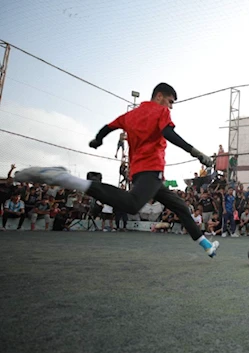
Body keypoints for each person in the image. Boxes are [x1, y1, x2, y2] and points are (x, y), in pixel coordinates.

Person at [14, 83, 219, 257]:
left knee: (180, 206)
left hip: (140, 173)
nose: (171, 106)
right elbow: (168, 133)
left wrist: (98, 139)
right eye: (170, 101)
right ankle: (67, 179)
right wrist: (195, 152)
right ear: (159, 96)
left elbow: (107, 127)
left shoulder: (129, 115)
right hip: (151, 169)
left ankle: (207, 247)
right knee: (132, 204)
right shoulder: (160, 111)